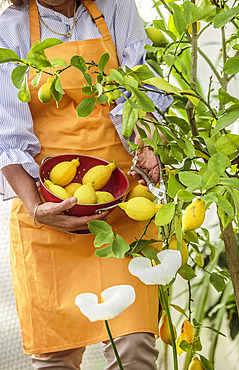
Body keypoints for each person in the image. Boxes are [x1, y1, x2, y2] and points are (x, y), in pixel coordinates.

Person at [0, 0, 173, 368]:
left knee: (135, 349)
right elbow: (7, 138)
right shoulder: (9, 30)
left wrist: (147, 146)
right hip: (47, 214)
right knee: (54, 359)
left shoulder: (116, 7)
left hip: (122, 203)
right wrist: (36, 209)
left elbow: (139, 88)